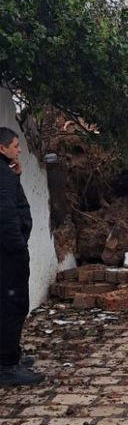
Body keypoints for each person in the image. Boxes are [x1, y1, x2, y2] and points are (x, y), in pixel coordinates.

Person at [0, 127, 42, 386]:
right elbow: (6, 216)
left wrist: (16, 176)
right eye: (15, 145)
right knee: (13, 306)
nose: (19, 150)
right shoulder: (3, 176)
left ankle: (9, 355)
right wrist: (18, 248)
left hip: (7, 253)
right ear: (2, 147)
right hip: (9, 255)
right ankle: (7, 365)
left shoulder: (7, 173)